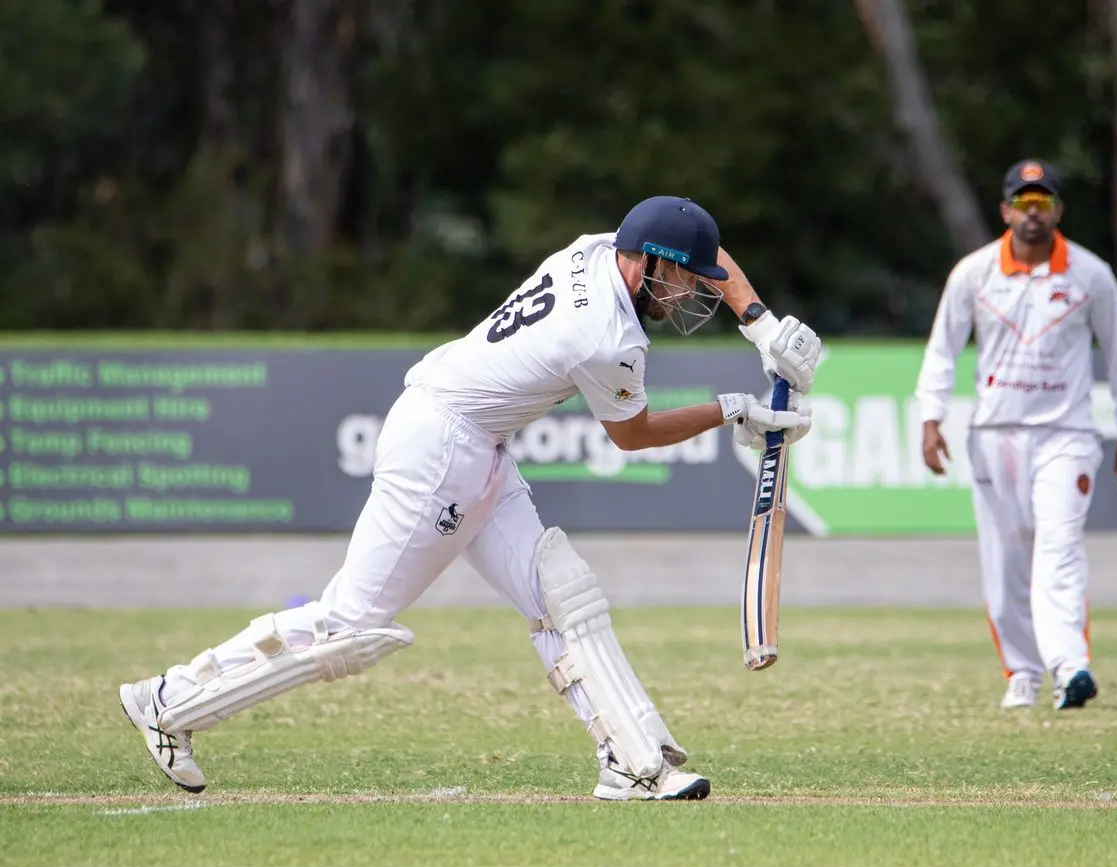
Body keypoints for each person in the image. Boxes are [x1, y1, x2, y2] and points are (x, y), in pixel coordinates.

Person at [119, 195, 821, 800]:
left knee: (560, 595)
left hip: (475, 441)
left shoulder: (600, 246)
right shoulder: (605, 335)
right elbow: (631, 436)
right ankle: (169, 700)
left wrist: (758, 322)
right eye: (679, 281)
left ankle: (630, 764)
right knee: (349, 626)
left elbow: (705, 245)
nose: (688, 293)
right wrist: (732, 409)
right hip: (440, 447)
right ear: (646, 264)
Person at [914, 159, 1117, 711]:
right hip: (994, 434)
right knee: (1005, 560)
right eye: (1023, 202)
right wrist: (930, 419)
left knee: (1058, 549)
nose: (1033, 213)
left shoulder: (1090, 275)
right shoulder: (974, 273)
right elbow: (942, 351)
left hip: (1067, 434)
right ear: (1005, 210)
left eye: (1043, 203)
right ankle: (1022, 671)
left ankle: (1070, 667)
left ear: (1058, 211)